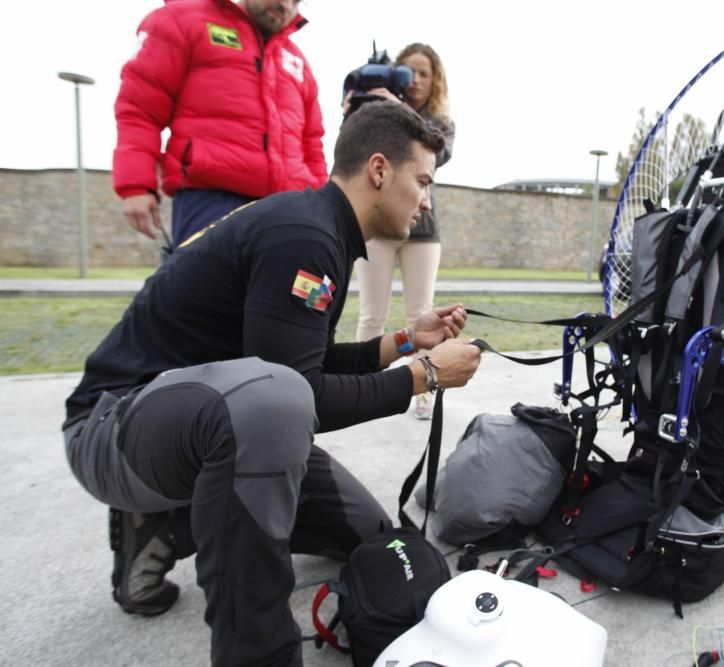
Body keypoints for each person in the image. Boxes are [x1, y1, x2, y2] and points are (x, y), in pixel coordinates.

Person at [62, 102, 482, 666]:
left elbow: (297, 360)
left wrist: (407, 342)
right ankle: (254, 651)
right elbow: (299, 393)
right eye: (424, 182)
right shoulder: (304, 236)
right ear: (379, 170)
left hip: (209, 421)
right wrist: (424, 377)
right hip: (114, 430)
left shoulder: (319, 227)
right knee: (276, 404)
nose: (427, 201)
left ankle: (176, 517)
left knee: (371, 532)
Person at [113, 0, 328, 248]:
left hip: (289, 208)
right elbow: (140, 108)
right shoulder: (184, 21)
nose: (286, 5)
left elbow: (311, 142)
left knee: (293, 288)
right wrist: (135, 185)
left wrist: (321, 206)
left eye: (296, 1)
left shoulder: (297, 61)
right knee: (207, 287)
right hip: (209, 198)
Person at [345, 43, 456, 420]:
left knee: (421, 311)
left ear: (435, 79)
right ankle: (357, 387)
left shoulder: (440, 122)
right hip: (376, 227)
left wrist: (396, 108)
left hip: (422, 232)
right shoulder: (376, 112)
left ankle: (424, 386)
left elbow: (437, 154)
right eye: (409, 71)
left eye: (424, 73)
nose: (417, 80)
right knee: (371, 313)